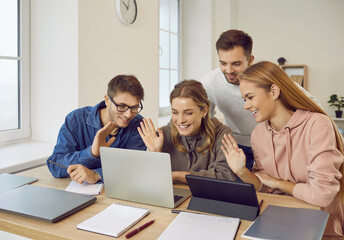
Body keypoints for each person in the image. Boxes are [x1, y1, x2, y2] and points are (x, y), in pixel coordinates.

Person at [221, 61, 344, 239]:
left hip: (322, 227)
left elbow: (321, 195)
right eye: (244, 99)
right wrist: (241, 171)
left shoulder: (317, 124)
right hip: (280, 221)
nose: (246, 106)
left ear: (274, 91)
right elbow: (265, 188)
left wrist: (278, 183)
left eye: (250, 97)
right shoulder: (258, 134)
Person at [201, 29, 320, 171]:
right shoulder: (210, 82)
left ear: (250, 60)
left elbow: (311, 103)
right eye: (223, 63)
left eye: (236, 64)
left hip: (270, 144)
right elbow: (204, 116)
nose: (229, 70)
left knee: (269, 189)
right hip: (236, 145)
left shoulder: (266, 77)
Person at [47, 75, 146, 184]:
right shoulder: (76, 120)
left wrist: (97, 174)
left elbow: (133, 169)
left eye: (134, 107)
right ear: (107, 100)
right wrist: (92, 153)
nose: (128, 114)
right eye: (122, 106)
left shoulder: (138, 125)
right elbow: (54, 164)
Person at [138, 80, 237, 183]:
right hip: (174, 197)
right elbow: (151, 180)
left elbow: (224, 176)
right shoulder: (161, 135)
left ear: (204, 111)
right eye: (175, 112)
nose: (180, 120)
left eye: (188, 113)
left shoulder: (222, 134)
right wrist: (155, 153)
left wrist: (176, 175)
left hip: (206, 197)